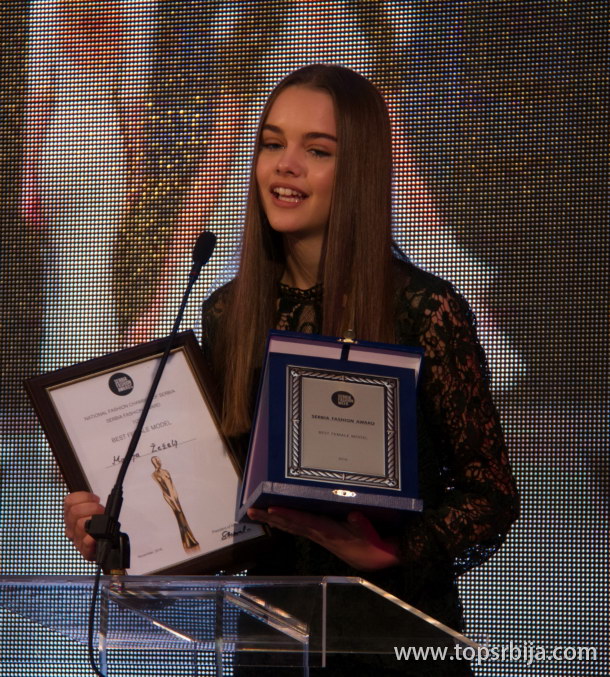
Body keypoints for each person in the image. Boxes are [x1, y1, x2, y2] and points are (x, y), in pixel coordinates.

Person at [64, 64, 520, 675]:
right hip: (271, 639)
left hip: (394, 638)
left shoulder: (424, 311)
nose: (285, 165)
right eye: (272, 144)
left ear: (358, 170)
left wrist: (393, 550)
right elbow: (229, 507)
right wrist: (128, 542)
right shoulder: (226, 314)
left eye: (317, 150)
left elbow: (490, 495)